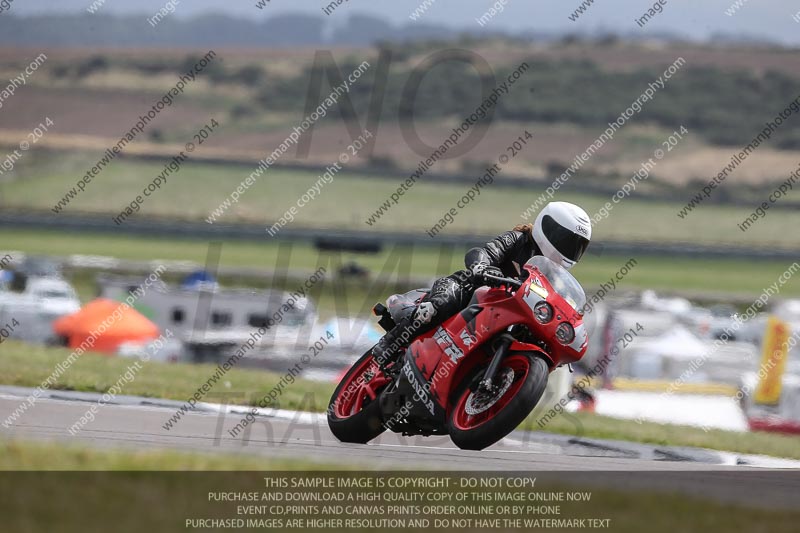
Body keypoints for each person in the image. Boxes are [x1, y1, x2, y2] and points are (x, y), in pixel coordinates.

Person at [372, 201, 592, 365]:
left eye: (577, 247)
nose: (571, 251)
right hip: (472, 291)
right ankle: (390, 343)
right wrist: (481, 266)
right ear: (549, 229)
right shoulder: (517, 240)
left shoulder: (555, 277)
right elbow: (485, 252)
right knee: (441, 303)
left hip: (508, 314)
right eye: (567, 242)